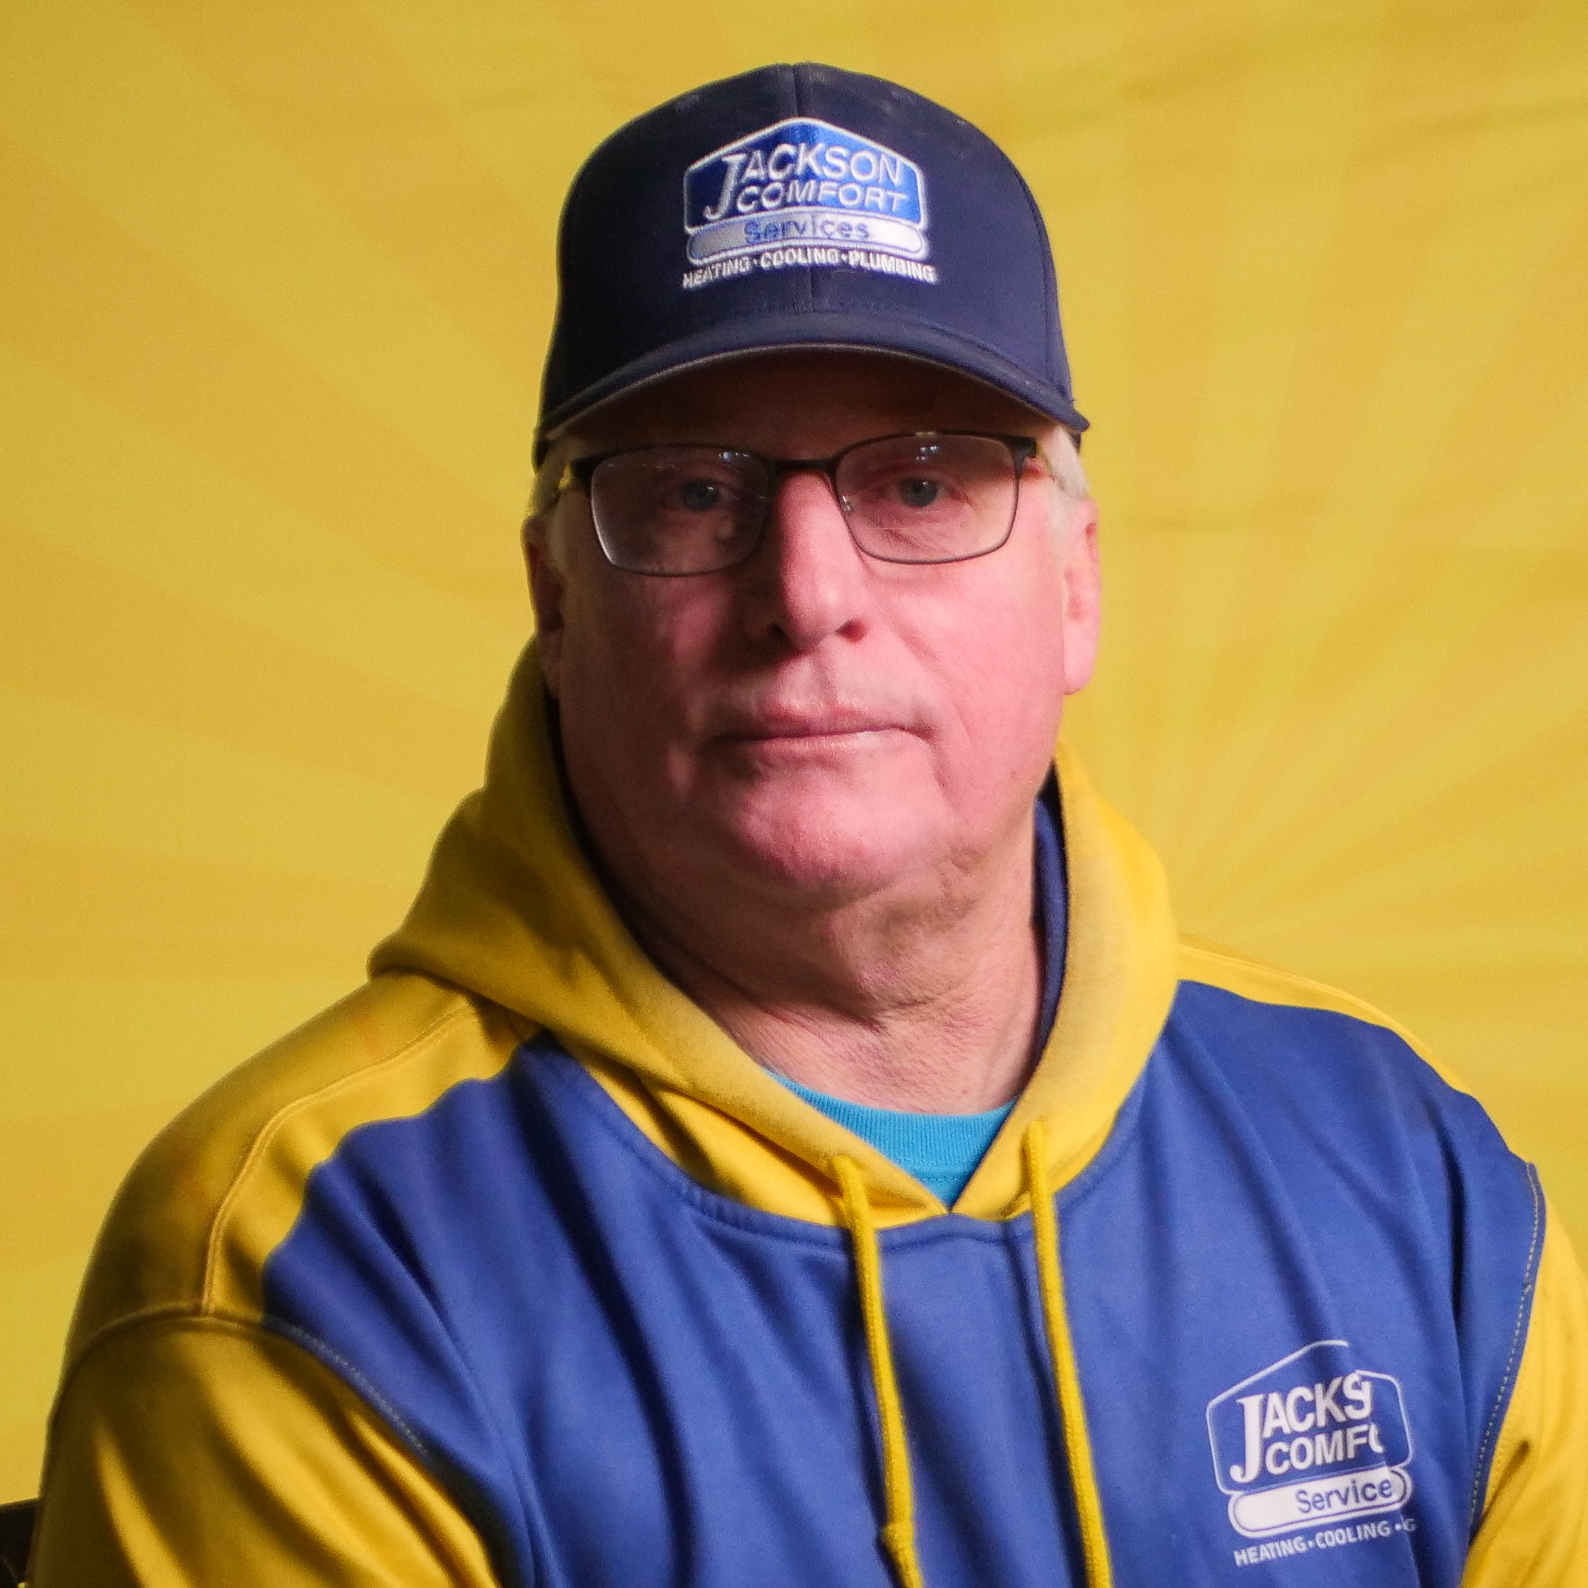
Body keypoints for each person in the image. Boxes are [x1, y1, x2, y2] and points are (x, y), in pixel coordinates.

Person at [30, 61, 1587, 1588]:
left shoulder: (1403, 1167)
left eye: (919, 484)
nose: (810, 596)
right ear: (556, 602)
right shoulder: (306, 1269)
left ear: (1076, 585)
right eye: (694, 494)